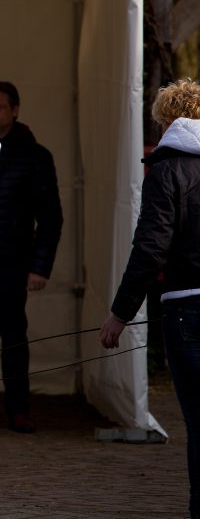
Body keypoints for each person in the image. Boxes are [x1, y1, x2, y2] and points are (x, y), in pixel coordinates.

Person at [101, 78, 200, 518]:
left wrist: (121, 314)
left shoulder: (167, 169)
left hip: (187, 310)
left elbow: (151, 248)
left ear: (164, 121)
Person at [0, 81, 62, 434]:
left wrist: (40, 266)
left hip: (13, 261)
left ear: (14, 111)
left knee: (13, 336)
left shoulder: (35, 155)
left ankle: (18, 409)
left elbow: (51, 216)